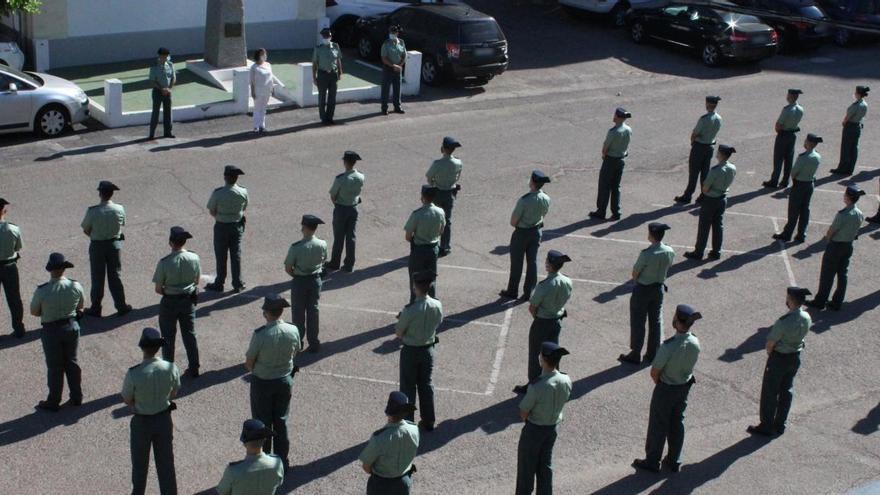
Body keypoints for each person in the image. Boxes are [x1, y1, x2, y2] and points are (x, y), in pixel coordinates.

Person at [632, 304, 702, 473]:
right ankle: (674, 459)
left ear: (676, 322)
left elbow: (655, 371)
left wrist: (661, 384)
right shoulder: (695, 341)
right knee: (677, 422)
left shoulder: (669, 346)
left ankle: (652, 460)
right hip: (684, 386)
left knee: (658, 424)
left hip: (666, 388)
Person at [245, 295, 301, 472]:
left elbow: (249, 362)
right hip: (284, 380)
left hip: (263, 382)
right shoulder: (293, 330)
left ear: (266, 313)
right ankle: (282, 460)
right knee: (281, 421)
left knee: (262, 422)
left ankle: (265, 459)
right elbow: (296, 351)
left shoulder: (261, 334)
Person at [122, 327, 181, 495]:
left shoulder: (134, 373)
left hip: (142, 422)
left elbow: (127, 399)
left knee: (140, 465)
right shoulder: (170, 368)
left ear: (142, 347)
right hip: (163, 419)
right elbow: (174, 392)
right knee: (166, 463)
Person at [747, 287, 812, 437]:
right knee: (786, 390)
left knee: (770, 392)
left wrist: (771, 354)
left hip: (779, 358)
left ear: (790, 300)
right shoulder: (807, 317)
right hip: (795, 357)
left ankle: (766, 425)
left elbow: (771, 343)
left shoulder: (783, 322)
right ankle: (780, 424)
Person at [516, 342, 572, 495]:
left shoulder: (537, 386)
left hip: (534, 430)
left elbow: (524, 412)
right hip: (552, 428)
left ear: (542, 359)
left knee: (526, 469)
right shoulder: (566, 380)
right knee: (545, 466)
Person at [30, 252, 85, 411]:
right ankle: (76, 396)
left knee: (55, 367)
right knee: (72, 362)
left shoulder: (42, 291)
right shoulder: (75, 285)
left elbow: (34, 311)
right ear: (64, 269)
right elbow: (81, 305)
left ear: (50, 269)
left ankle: (54, 401)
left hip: (51, 330)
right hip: (71, 326)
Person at [514, 250, 572, 395]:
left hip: (542, 322)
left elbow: (532, 307)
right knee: (554, 353)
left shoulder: (545, 285)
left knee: (536, 354)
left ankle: (533, 385)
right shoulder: (567, 281)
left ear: (549, 265)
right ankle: (553, 382)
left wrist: (538, 318)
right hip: (557, 321)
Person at [620, 223, 675, 365]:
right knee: (655, 321)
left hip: (643, 289)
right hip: (659, 288)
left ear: (651, 235)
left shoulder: (647, 254)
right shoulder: (669, 250)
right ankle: (652, 353)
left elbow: (635, 273)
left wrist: (638, 281)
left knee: (638, 321)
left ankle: (635, 353)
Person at [396, 271, 443, 432]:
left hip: (410, 351)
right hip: (428, 349)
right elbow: (438, 322)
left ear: (415, 287)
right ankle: (428, 420)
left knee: (408, 386)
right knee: (426, 385)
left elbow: (399, 332)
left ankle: (408, 422)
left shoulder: (410, 310)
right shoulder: (437, 304)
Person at [807, 185, 866, 310]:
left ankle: (820, 301)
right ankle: (837, 302)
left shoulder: (843, 214)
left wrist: (829, 240)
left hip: (836, 246)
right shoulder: (859, 213)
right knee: (842, 274)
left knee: (827, 275)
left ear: (848, 198)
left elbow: (831, 231)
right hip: (848, 246)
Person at [152, 226, 201, 378]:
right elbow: (197, 280)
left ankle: (168, 372)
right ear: (185, 241)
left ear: (170, 242)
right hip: (187, 300)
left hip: (169, 302)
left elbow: (159, 289)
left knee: (168, 338)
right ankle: (194, 368)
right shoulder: (194, 258)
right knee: (190, 335)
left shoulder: (165, 263)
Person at [81, 180, 132, 318]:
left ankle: (96, 307)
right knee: (115, 276)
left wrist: (96, 235)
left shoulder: (93, 211)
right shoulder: (119, 209)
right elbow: (121, 224)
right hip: (114, 245)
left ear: (100, 194)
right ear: (112, 194)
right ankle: (121, 306)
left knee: (97, 278)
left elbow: (86, 229)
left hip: (97, 246)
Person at [500, 171, 552, 301]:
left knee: (517, 263)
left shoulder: (524, 200)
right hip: (536, 231)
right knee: (532, 261)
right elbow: (544, 214)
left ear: (533, 182)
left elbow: (513, 222)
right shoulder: (546, 198)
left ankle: (512, 291)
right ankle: (529, 291)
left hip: (522, 233)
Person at [359, 391, 420, 495]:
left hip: (380, 485)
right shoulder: (414, 429)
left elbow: (366, 466)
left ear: (388, 413)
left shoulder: (379, 438)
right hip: (403, 482)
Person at [684, 145, 737, 261]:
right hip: (723, 198)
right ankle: (716, 252)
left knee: (704, 227)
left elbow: (705, 189)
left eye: (718, 152)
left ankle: (699, 252)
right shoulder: (732, 168)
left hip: (711, 200)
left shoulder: (715, 170)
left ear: (721, 154)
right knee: (718, 226)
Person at [284, 215, 328, 353]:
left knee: (298, 314)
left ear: (304, 228)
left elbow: (288, 268)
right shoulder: (322, 244)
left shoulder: (296, 247)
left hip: (300, 281)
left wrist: (296, 275)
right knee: (313, 312)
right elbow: (324, 260)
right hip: (315, 281)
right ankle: (314, 342)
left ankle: (298, 343)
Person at [205, 165, 249, 293]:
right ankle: (238, 283)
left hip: (221, 226)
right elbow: (244, 207)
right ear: (236, 178)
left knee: (221, 255)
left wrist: (221, 216)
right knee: (236, 255)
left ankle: (219, 283)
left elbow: (212, 210)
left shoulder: (218, 193)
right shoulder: (243, 191)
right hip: (237, 226)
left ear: (225, 177)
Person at [773, 134, 823, 243]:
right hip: (810, 184)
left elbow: (794, 173)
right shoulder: (817, 156)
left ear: (809, 143)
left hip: (800, 184)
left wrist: (795, 180)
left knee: (793, 211)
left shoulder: (803, 157)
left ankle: (787, 234)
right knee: (805, 210)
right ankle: (801, 234)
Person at [217, 419, 284, 495]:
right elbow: (279, 482)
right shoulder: (277, 463)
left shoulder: (233, 470)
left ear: (244, 444)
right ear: (264, 440)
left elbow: (222, 491)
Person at [675, 96, 722, 204]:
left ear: (708, 105)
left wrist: (693, 142)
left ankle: (688, 195)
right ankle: (704, 195)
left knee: (694, 173)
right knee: (705, 173)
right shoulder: (719, 118)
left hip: (699, 147)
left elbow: (695, 134)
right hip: (710, 147)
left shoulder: (704, 119)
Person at [403, 186, 446, 303]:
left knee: (415, 278)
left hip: (418, 250)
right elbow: (441, 231)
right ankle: (431, 304)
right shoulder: (440, 212)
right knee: (430, 278)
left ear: (422, 197)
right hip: (433, 249)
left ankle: (414, 305)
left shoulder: (417, 214)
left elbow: (408, 236)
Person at [589, 107, 632, 221]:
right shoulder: (628, 129)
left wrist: (604, 155)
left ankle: (601, 211)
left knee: (604, 186)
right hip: (621, 159)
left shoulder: (613, 132)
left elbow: (605, 147)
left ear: (617, 117)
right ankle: (616, 211)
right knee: (616, 187)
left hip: (610, 160)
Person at [327, 151, 365, 272]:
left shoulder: (341, 179)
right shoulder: (361, 176)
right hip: (353, 208)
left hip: (341, 208)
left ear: (345, 163)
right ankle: (349, 264)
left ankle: (335, 262)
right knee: (351, 237)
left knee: (338, 237)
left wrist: (338, 205)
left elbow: (333, 196)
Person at [426, 137, 463, 257]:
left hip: (437, 193)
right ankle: (445, 246)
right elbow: (458, 176)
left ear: (443, 148)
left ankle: (433, 244)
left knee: (436, 219)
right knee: (447, 221)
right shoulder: (458, 162)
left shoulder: (438, 163)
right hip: (450, 193)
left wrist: (433, 184)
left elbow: (429, 177)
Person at [763, 89, 804, 189]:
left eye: (788, 95)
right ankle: (785, 181)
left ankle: (774, 181)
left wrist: (779, 131)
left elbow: (778, 125)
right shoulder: (800, 109)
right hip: (792, 135)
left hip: (783, 135)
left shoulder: (787, 109)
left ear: (790, 96)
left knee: (778, 159)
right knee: (789, 159)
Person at [830, 85, 869, 176]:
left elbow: (848, 116)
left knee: (846, 148)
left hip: (850, 127)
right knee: (854, 148)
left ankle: (843, 168)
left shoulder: (856, 105)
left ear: (858, 94)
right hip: (858, 126)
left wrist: (844, 122)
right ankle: (850, 169)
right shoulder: (865, 104)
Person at [0, 197, 25, 338]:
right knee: (14, 298)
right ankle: (18, 328)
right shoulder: (13, 228)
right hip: (9, 266)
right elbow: (18, 247)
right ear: (5, 210)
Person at [312, 28, 343, 125]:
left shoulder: (335, 46)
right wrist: (314, 77)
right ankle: (323, 118)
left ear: (331, 37)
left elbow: (338, 60)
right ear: (322, 37)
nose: (326, 38)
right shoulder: (318, 48)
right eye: (325, 36)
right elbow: (315, 64)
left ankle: (330, 117)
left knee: (332, 98)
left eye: (328, 36)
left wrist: (340, 72)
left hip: (333, 74)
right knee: (322, 98)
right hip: (322, 74)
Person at [148, 47, 176, 140]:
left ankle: (168, 132)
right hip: (157, 92)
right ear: (159, 56)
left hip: (167, 92)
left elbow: (173, 78)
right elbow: (152, 81)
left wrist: (169, 88)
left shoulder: (170, 65)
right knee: (155, 113)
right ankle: (151, 134)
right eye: (163, 56)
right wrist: (162, 89)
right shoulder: (154, 66)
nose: (164, 58)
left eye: (166, 56)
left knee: (168, 113)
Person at [380, 25, 407, 115]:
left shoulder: (401, 42)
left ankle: (397, 106)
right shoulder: (386, 43)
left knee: (397, 88)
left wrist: (399, 66)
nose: (392, 34)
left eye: (393, 33)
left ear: (397, 33)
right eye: (391, 33)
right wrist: (393, 66)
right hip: (388, 68)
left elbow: (404, 55)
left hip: (398, 69)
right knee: (385, 89)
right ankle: (384, 108)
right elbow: (384, 58)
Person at [250, 48, 275, 133]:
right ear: (259, 55)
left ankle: (262, 126)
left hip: (267, 90)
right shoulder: (254, 67)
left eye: (265, 53)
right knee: (257, 108)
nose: (265, 55)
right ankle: (256, 126)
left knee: (263, 109)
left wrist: (272, 88)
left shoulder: (268, 65)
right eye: (263, 54)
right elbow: (252, 81)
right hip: (258, 91)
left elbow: (271, 77)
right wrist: (252, 92)